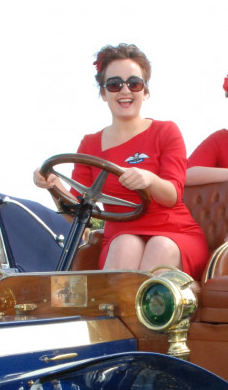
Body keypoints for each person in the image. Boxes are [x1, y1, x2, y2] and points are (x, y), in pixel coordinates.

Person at [33, 43, 208, 278]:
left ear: (145, 91)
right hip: (120, 236)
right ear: (104, 94)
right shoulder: (90, 144)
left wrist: (149, 179)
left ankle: (137, 308)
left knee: (159, 246)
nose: (125, 91)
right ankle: (110, 311)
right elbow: (76, 212)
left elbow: (171, 195)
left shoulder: (165, 131)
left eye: (134, 83)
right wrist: (52, 184)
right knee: (125, 243)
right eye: (115, 85)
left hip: (174, 234)